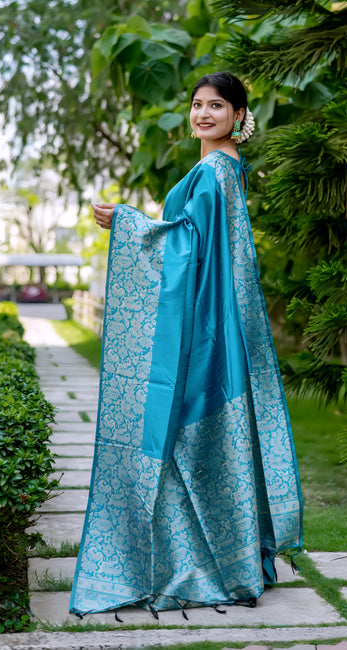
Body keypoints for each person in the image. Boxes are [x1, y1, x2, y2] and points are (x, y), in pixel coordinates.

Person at [70, 72, 302, 618]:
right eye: (197, 104)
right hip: (216, 326)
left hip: (205, 332)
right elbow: (192, 241)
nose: (203, 114)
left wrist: (127, 223)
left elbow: (185, 244)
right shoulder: (220, 171)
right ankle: (227, 558)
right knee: (198, 444)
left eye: (216, 105)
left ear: (239, 117)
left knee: (179, 440)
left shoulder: (214, 174)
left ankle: (201, 564)